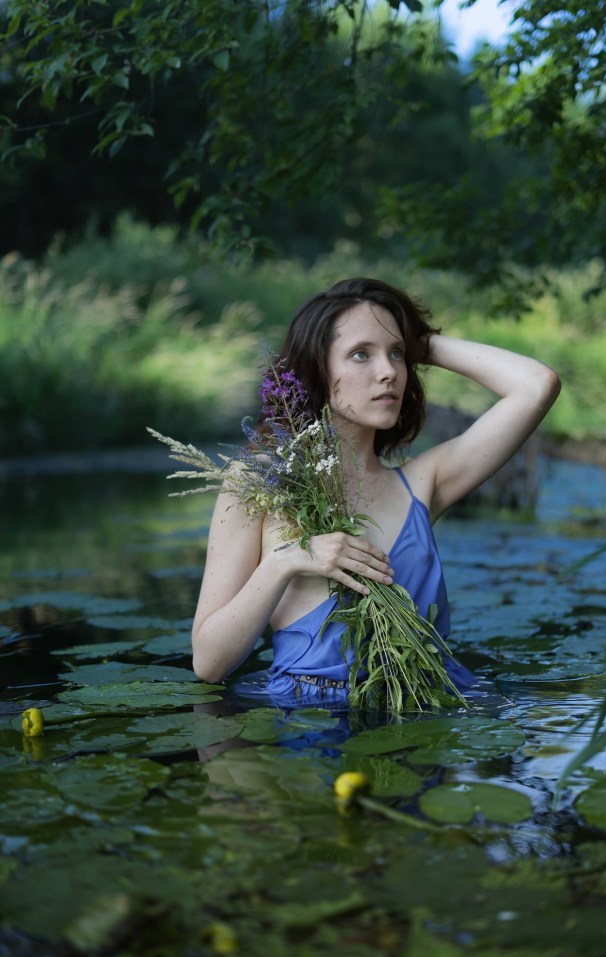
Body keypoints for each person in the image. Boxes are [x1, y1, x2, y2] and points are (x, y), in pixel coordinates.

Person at [191, 277, 561, 707]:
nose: (389, 372)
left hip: (430, 710)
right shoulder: (257, 484)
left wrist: (420, 342)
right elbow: (209, 662)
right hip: (309, 730)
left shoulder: (426, 481)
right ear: (316, 368)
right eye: (360, 354)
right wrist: (287, 561)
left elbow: (538, 384)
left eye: (397, 355)